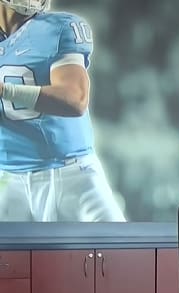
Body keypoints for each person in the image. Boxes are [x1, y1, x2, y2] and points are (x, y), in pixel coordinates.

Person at [0, 0, 125, 222]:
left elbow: (75, 99)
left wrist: (5, 91)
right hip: (6, 178)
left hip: (71, 174)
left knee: (123, 254)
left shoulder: (58, 28)